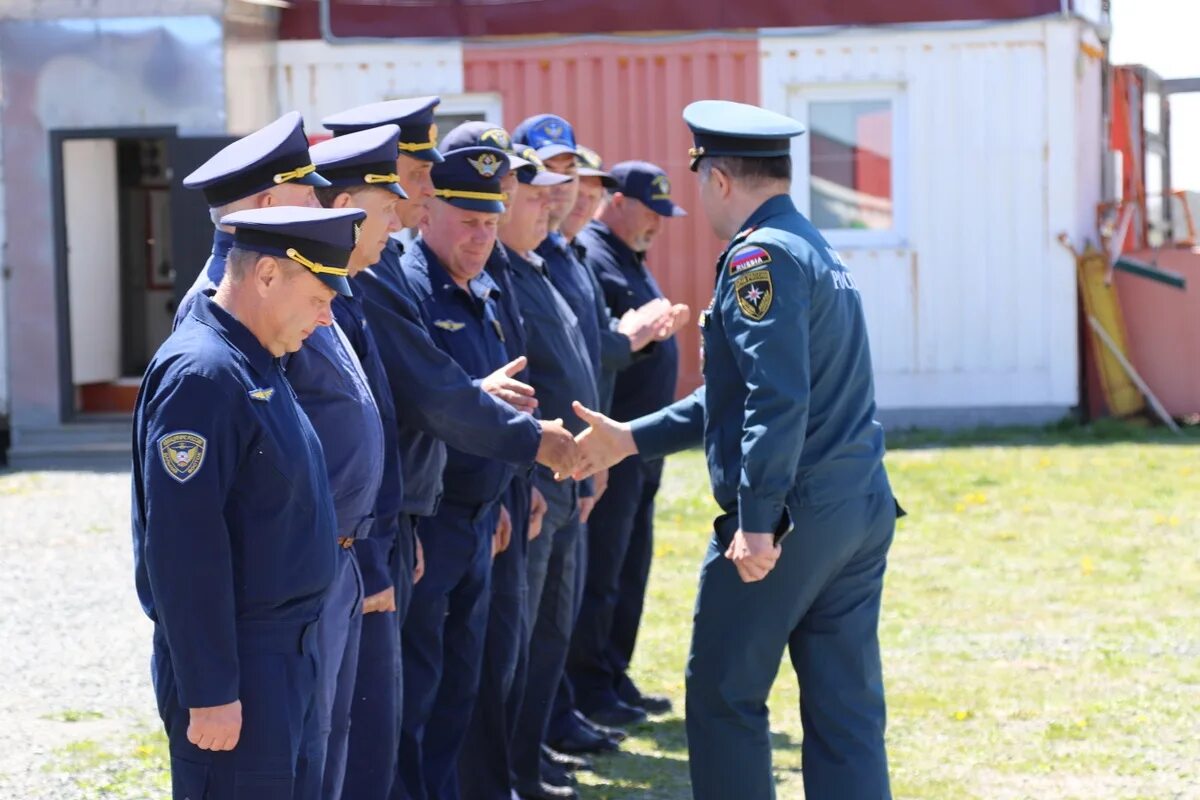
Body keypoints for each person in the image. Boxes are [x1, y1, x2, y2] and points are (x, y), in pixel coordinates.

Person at [569, 100, 899, 800]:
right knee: (846, 713)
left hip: (794, 513)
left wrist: (757, 520)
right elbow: (733, 397)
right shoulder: (811, 245)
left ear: (718, 179)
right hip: (855, 506)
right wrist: (628, 439)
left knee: (722, 695)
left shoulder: (759, 256)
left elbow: (776, 398)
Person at [320, 99, 579, 800]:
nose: (415, 196)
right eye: (406, 181)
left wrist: (501, 488)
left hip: (451, 514)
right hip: (396, 529)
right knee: (395, 713)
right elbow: (429, 398)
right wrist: (406, 522)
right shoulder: (374, 276)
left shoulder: (387, 273)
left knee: (456, 694)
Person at [132, 205, 364, 800]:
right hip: (242, 665)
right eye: (319, 295)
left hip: (286, 656)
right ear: (265, 276)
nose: (327, 314)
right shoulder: (203, 375)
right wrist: (210, 690)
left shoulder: (256, 359)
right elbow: (183, 548)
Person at [437, 123, 581, 800]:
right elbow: (437, 404)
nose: (480, 235)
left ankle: (514, 777)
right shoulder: (411, 285)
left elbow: (519, 396)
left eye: (489, 219)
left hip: (502, 502)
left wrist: (512, 491)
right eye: (468, 218)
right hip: (442, 520)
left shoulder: (492, 283)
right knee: (451, 690)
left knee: (500, 661)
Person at [284, 124, 408, 800]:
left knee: (345, 737)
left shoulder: (346, 297)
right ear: (343, 215)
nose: (396, 223)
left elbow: (370, 425)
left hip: (354, 551)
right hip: (324, 556)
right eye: (385, 211)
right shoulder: (296, 302)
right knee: (323, 740)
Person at [568, 160, 688, 726]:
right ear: (616, 203)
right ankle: (591, 686)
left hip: (641, 445)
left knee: (631, 564)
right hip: (613, 442)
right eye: (650, 211)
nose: (658, 225)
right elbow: (608, 341)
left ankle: (612, 673)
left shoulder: (627, 256)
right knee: (605, 568)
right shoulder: (594, 254)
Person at [174, 111, 328, 328]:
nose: (318, 207)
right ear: (269, 207)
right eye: (309, 197)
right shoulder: (222, 300)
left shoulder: (264, 283)